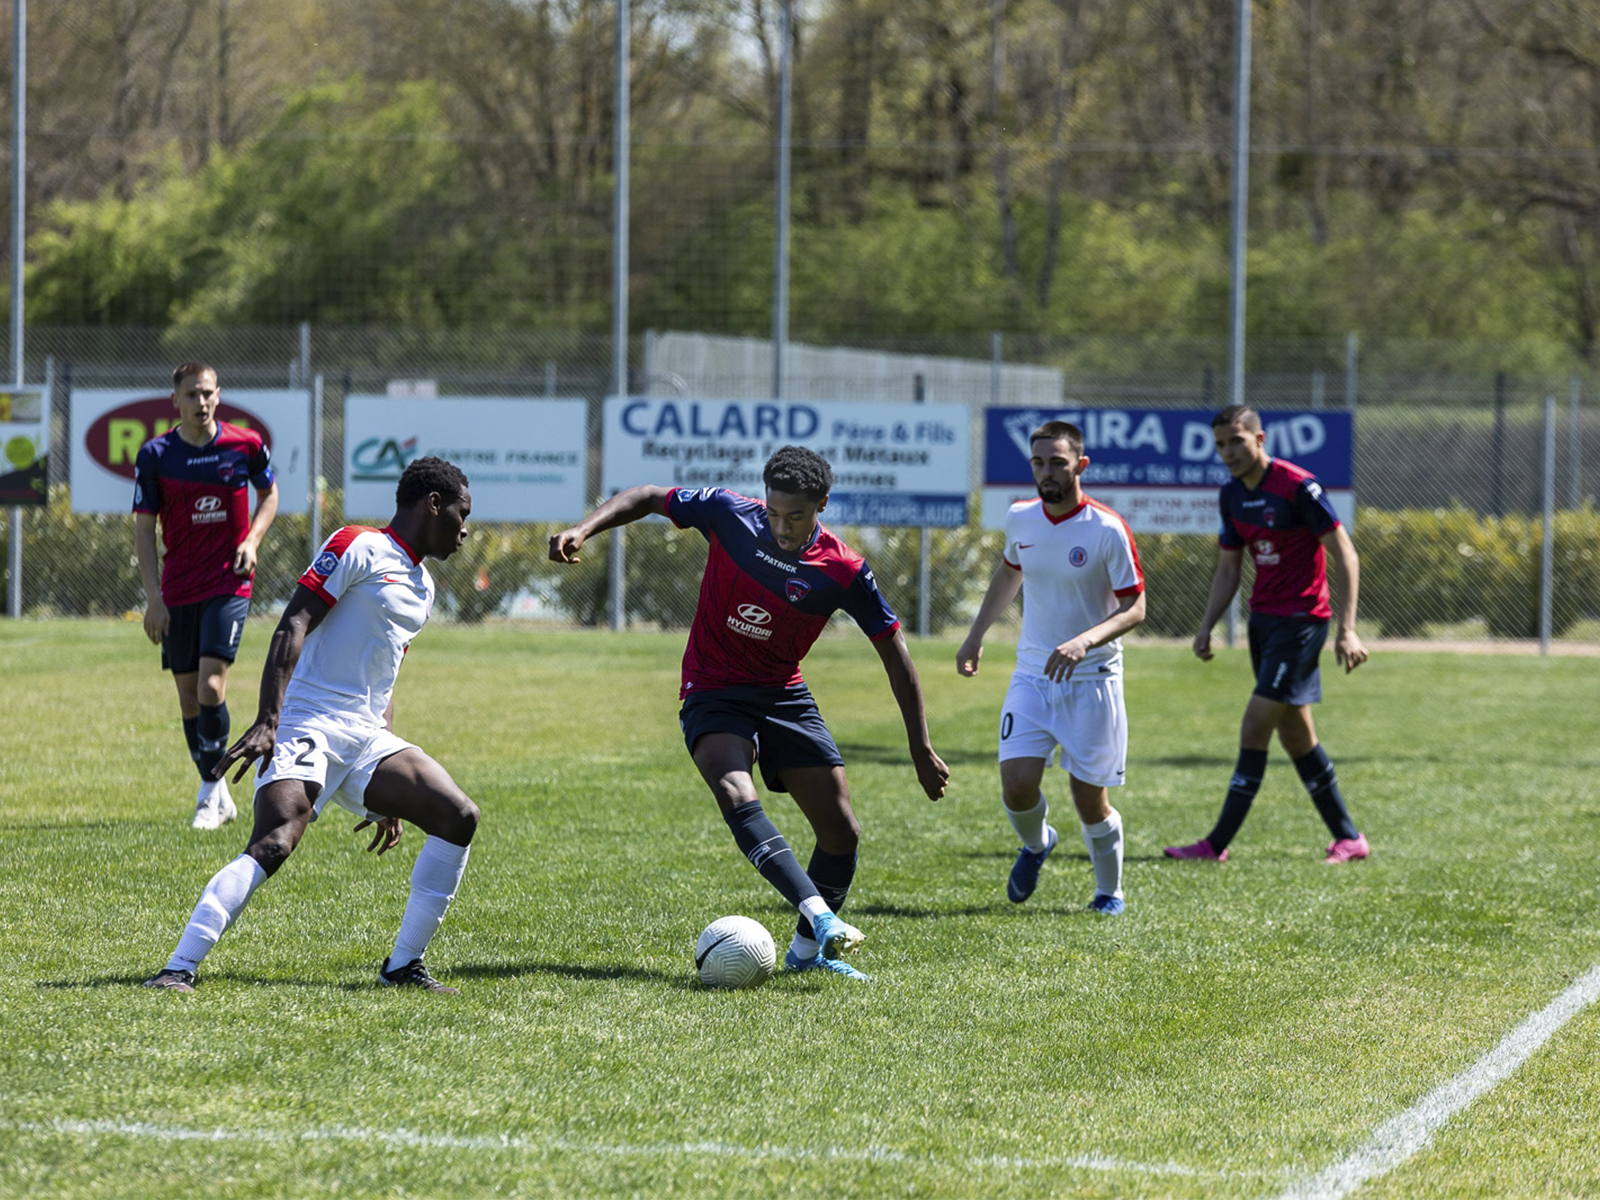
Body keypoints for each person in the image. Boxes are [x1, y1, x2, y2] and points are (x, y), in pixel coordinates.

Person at [549, 445, 949, 982]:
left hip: (783, 693)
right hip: (713, 686)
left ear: (823, 505)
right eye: (774, 512)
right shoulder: (728, 513)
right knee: (736, 791)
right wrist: (583, 529)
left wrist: (920, 746)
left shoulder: (844, 570)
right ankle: (823, 918)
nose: (782, 527)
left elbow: (894, 653)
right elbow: (646, 497)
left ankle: (808, 955)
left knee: (841, 832)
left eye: (796, 517)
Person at [144, 457, 480, 994]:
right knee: (276, 841)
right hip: (310, 721)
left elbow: (385, 674)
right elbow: (293, 622)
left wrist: (388, 784)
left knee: (458, 815)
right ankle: (177, 968)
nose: (465, 529)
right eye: (462, 513)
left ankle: (402, 967)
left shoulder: (424, 586)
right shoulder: (358, 544)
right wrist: (268, 721)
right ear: (432, 504)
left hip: (368, 736)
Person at [1164, 404, 1371, 865]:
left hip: (1302, 622)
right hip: (1264, 622)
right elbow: (1228, 568)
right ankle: (1349, 838)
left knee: (1255, 723)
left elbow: (1346, 554)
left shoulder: (1299, 487)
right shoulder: (1231, 496)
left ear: (1260, 439)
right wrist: (1206, 626)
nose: (1228, 452)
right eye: (1220, 444)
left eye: (1236, 440)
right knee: (1297, 737)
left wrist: (1348, 628)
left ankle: (1214, 844)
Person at [957, 421, 1147, 915]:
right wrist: (975, 635)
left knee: (1089, 800)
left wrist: (1084, 641)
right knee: (1017, 785)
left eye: (1057, 462)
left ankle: (1109, 892)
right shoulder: (1021, 517)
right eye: (1038, 462)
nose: (1046, 471)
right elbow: (1009, 571)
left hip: (1093, 680)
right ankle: (1038, 843)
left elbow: (1135, 608)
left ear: (1080, 466)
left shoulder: (1107, 529)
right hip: (1033, 676)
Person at [134, 362, 279, 831]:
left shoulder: (246, 444)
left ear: (220, 395)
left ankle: (210, 792)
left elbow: (270, 495)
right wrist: (153, 598)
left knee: (211, 687)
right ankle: (215, 792)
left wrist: (251, 541)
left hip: (227, 582)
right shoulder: (156, 455)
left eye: (209, 393)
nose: (202, 402)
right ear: (174, 400)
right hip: (177, 588)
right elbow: (142, 528)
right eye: (192, 394)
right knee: (188, 701)